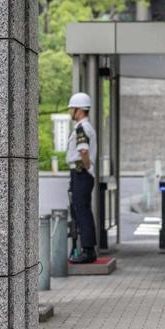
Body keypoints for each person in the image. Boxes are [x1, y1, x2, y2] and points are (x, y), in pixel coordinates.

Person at [66, 92, 98, 264]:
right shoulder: (83, 127)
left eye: (72, 108)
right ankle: (85, 248)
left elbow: (83, 151)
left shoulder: (82, 128)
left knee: (82, 210)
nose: (70, 111)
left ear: (79, 110)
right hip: (80, 173)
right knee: (81, 209)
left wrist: (86, 168)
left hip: (81, 173)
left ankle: (88, 250)